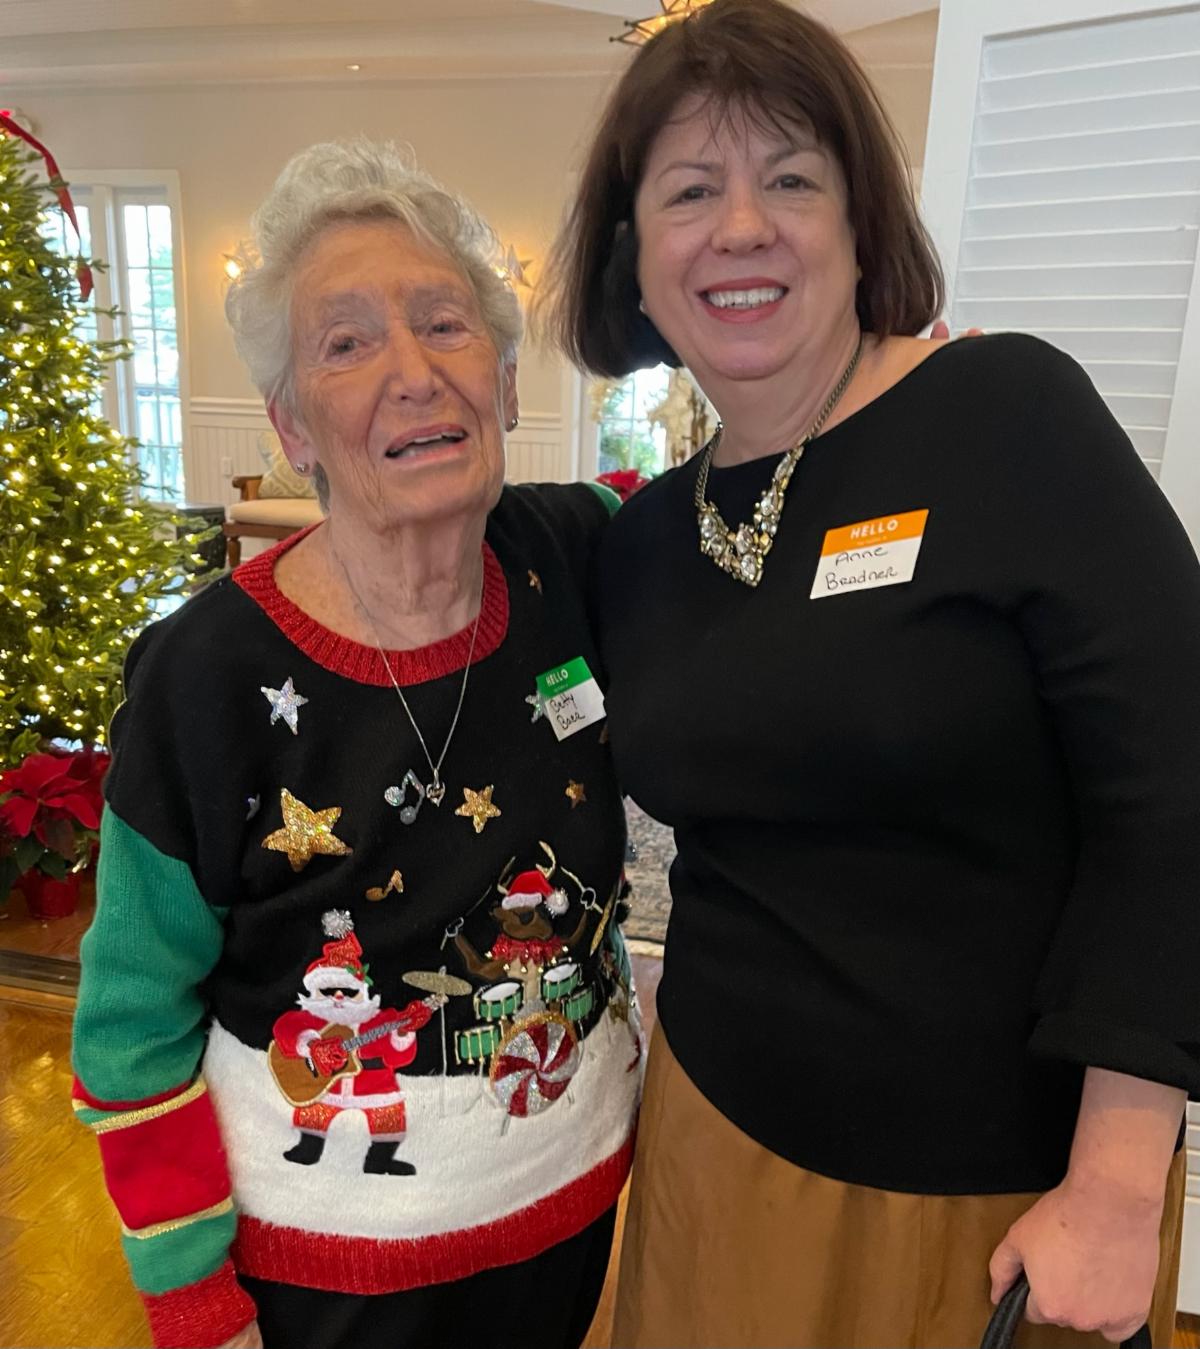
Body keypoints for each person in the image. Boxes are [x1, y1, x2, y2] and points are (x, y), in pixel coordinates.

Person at [543, 1, 1200, 1344]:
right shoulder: (646, 539)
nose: (742, 227)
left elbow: (1178, 789)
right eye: (690, 191)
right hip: (716, 1148)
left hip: (1003, 1196)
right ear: (633, 259)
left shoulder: (1006, 415)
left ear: (859, 229)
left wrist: (1119, 1181)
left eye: (791, 179)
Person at [70, 139, 640, 1349]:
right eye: (346, 343)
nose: (413, 373)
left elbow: (747, 535)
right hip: (328, 1275)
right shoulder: (203, 677)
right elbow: (129, 1025)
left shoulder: (578, 550)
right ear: (292, 428)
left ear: (506, 385)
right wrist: (192, 1301)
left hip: (566, 1218)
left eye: (445, 324)